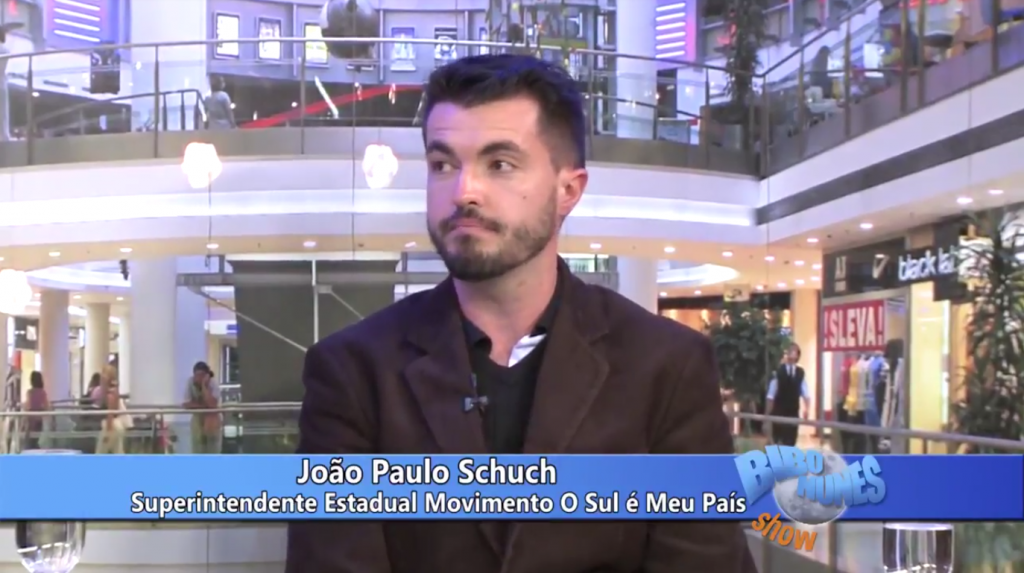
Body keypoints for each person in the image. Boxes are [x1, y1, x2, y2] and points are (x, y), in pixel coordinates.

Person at [286, 54, 756, 573]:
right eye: (443, 165)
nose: (464, 191)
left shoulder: (667, 367)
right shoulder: (352, 373)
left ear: (568, 190)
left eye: (500, 164)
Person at [766, 343, 810, 447]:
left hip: (793, 412)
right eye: (789, 350)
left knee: (790, 442)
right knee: (778, 441)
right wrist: (767, 415)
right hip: (779, 412)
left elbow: (805, 393)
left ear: (798, 355)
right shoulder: (779, 372)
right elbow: (771, 395)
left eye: (794, 351)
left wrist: (807, 409)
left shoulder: (800, 373)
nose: (791, 352)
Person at [183, 361, 221, 454]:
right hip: (197, 420)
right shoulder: (190, 382)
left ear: (207, 376)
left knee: (213, 450)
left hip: (212, 420)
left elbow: (212, 404)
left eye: (202, 375)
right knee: (197, 449)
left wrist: (204, 386)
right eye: (197, 375)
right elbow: (186, 404)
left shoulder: (213, 383)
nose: (199, 378)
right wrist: (204, 406)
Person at [95, 365, 126, 454]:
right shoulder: (114, 391)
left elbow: (110, 413)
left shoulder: (110, 394)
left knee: (100, 453)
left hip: (111, 426)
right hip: (116, 425)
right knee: (118, 452)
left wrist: (108, 432)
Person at [23, 371, 50, 450]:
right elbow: (47, 406)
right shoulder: (43, 392)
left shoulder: (29, 392)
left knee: (29, 440)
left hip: (30, 420)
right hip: (39, 420)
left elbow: (27, 406)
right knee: (36, 439)